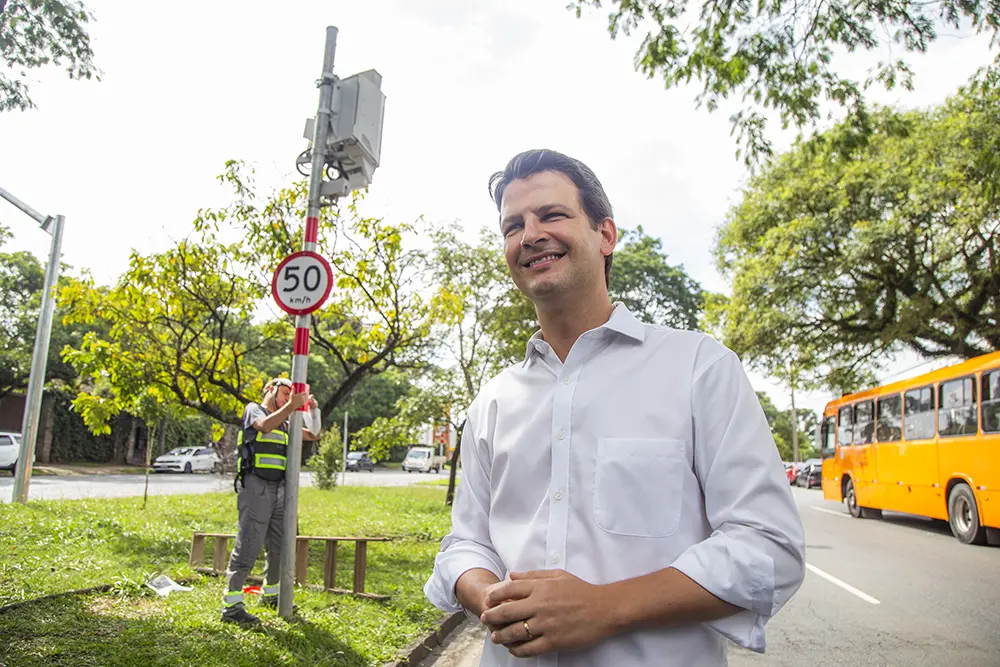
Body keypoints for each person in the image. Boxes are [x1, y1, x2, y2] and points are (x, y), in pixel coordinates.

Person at [423, 149, 806, 666]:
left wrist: (605, 607)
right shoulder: (493, 401)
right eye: (513, 225)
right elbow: (466, 544)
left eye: (552, 215)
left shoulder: (698, 368)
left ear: (606, 235)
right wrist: (488, 597)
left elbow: (768, 548)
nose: (531, 234)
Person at [220, 377, 322, 627]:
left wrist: (312, 409)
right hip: (256, 487)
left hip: (280, 490)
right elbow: (263, 426)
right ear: (270, 390)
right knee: (248, 545)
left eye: (291, 395)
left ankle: (271, 596)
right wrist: (290, 407)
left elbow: (315, 434)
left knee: (280, 546)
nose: (288, 399)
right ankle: (232, 607)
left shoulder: (286, 422)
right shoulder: (254, 409)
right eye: (285, 393)